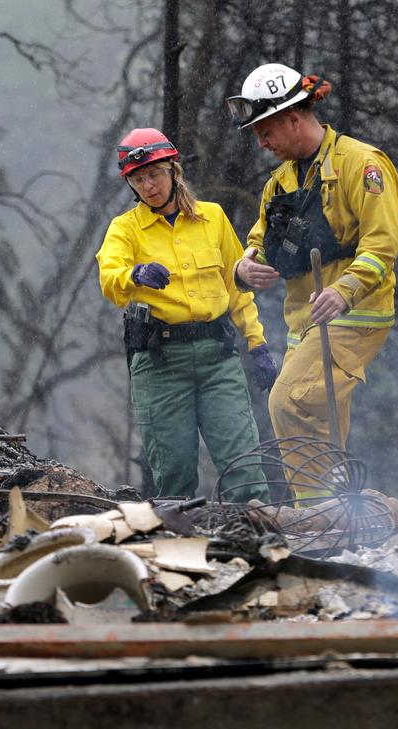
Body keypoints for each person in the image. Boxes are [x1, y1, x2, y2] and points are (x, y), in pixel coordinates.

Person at [227, 63, 398, 503]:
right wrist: (244, 266)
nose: (261, 142)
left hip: (354, 314)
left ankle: (314, 512)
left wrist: (344, 291)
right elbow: (259, 240)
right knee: (322, 422)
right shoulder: (280, 182)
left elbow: (382, 244)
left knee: (287, 402)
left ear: (293, 117)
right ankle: (341, 514)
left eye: (265, 130)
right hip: (302, 322)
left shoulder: (362, 165)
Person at [97, 128, 276, 502]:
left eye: (155, 174)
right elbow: (109, 278)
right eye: (139, 178)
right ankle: (183, 551)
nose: (149, 185)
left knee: (244, 468)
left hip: (217, 357)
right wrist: (135, 274)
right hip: (161, 362)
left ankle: (256, 545)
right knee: (175, 475)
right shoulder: (125, 230)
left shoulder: (213, 218)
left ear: (174, 171)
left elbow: (235, 285)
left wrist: (257, 344)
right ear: (130, 183)